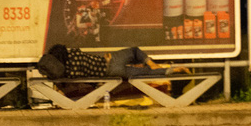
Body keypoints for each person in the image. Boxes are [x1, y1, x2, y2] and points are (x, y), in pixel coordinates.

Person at [45, 44, 188, 79]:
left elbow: (81, 76)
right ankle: (151, 62)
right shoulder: (74, 53)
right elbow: (78, 51)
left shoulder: (69, 71)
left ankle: (171, 70)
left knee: (143, 73)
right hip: (110, 60)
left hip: (111, 72)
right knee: (134, 51)